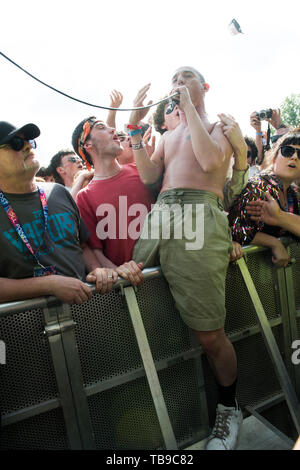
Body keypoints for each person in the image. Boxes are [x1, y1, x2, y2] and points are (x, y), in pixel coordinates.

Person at [128, 67, 246, 450]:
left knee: (210, 333)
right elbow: (149, 176)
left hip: (200, 214)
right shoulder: (166, 134)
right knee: (128, 283)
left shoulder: (223, 127)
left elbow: (211, 163)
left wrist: (189, 110)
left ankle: (229, 411)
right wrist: (134, 129)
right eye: (173, 78)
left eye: (187, 76)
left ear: (204, 86)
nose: (176, 81)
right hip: (163, 213)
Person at [0, 121, 119, 304]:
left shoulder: (58, 192)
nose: (26, 146)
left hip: (88, 313)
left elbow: (82, 245)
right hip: (27, 327)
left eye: (29, 141)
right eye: (15, 143)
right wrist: (48, 284)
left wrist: (95, 269)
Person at [71, 117, 156, 284]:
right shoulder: (84, 196)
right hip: (133, 284)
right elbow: (95, 250)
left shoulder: (143, 170)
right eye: (102, 127)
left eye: (111, 127)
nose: (113, 130)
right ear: (87, 145)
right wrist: (118, 272)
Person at [228, 130, 300, 267]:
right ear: (274, 158)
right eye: (287, 151)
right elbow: (236, 229)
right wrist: (274, 243)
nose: (294, 157)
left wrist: (280, 217)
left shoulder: (294, 194)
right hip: (247, 273)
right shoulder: (257, 187)